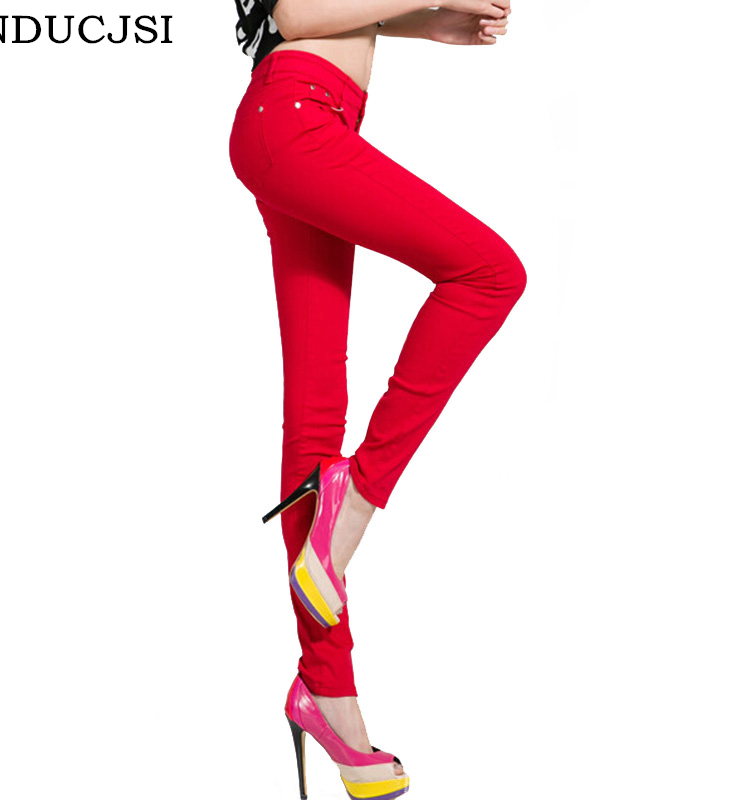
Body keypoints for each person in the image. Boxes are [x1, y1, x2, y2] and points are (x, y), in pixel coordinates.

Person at [229, 2, 522, 797]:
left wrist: (417, 24)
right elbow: (295, 13)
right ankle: (353, 497)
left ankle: (325, 693)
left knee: (314, 417)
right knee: (490, 274)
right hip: (295, 117)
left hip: (306, 116)